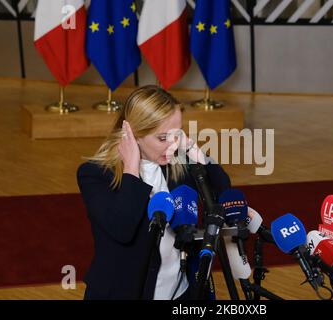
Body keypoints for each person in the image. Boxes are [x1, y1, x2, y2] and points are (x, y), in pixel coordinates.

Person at [77, 85, 231, 300]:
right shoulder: (95, 174)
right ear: (134, 134)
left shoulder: (177, 166)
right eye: (162, 138)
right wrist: (131, 168)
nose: (172, 146)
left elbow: (222, 190)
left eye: (177, 135)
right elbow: (122, 227)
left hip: (180, 292)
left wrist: (194, 150)